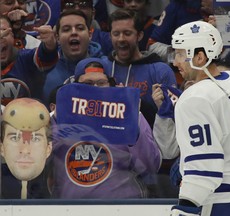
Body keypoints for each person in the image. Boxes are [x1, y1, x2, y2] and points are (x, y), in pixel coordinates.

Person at [170, 20, 230, 216]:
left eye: (181, 54)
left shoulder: (195, 98)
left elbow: (204, 164)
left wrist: (186, 208)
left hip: (221, 201)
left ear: (200, 57)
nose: (175, 62)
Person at [50, 57, 161, 198]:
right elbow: (40, 159)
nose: (95, 89)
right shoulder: (60, 117)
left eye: (101, 83)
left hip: (123, 207)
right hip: (69, 208)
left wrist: (132, 122)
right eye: (88, 84)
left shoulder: (129, 115)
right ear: (75, 87)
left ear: (111, 85)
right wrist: (55, 117)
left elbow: (151, 165)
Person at [103, 8, 177, 128]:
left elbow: (172, 120)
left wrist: (135, 102)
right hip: (109, 143)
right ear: (110, 36)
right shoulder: (101, 67)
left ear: (139, 35)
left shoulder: (161, 71)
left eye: (127, 33)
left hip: (149, 142)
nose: (121, 38)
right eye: (116, 34)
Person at [41, 9, 103, 107]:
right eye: (66, 29)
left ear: (90, 34)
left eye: (80, 28)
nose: (74, 32)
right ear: (57, 38)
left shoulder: (106, 65)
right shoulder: (44, 68)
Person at [0, 98, 52, 198]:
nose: (25, 150)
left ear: (48, 149)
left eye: (36, 139)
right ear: (2, 147)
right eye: (14, 138)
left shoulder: (61, 187)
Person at [1, 15, 58, 105]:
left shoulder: (26, 58)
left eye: (3, 31)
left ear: (12, 36)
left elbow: (45, 56)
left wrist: (49, 45)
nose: (0, 37)